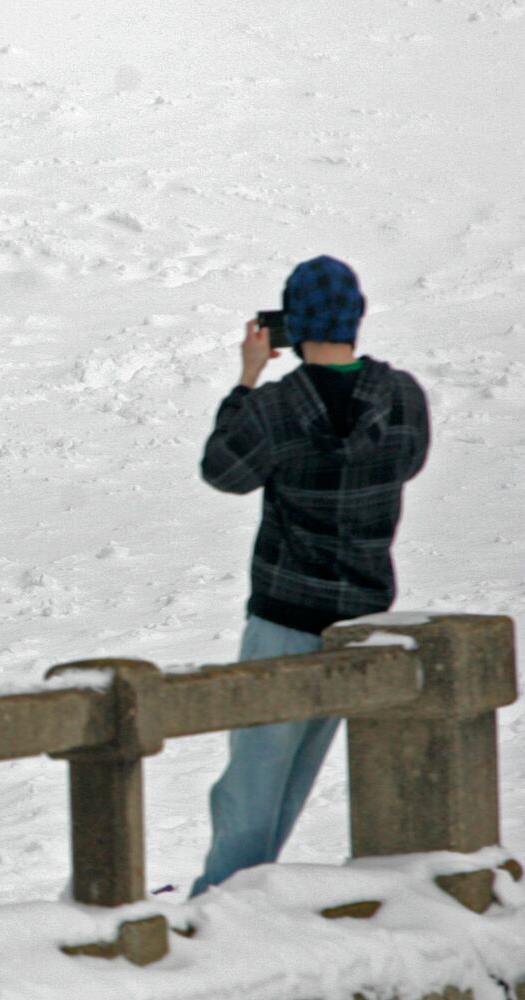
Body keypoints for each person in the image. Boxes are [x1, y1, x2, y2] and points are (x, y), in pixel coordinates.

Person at [189, 255, 430, 897]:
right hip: (364, 623)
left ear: (292, 324)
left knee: (254, 781)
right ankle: (248, 900)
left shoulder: (276, 407)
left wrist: (245, 380)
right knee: (294, 780)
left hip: (285, 617)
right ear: (356, 319)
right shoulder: (401, 396)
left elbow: (223, 471)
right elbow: (407, 463)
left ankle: (220, 909)